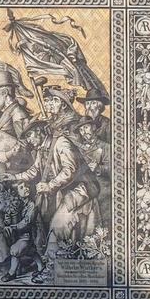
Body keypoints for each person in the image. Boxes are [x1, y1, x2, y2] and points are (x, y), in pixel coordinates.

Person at [35, 86, 102, 254]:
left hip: (80, 184)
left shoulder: (72, 123)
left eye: (53, 100)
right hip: (61, 185)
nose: (48, 104)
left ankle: (53, 260)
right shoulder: (52, 124)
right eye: (48, 100)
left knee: (59, 224)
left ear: (63, 104)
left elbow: (73, 161)